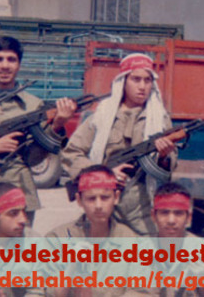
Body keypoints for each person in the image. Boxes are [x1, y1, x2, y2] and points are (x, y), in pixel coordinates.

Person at [0, 36, 76, 228]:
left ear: (19, 65)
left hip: (19, 195)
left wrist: (57, 126)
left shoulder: (34, 105)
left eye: (11, 59)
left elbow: (34, 158)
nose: (5, 65)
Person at [61, 53, 175, 235]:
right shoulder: (102, 115)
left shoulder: (159, 118)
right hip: (105, 201)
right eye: (136, 79)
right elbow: (72, 152)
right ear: (123, 81)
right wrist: (102, 173)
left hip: (142, 205)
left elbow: (168, 167)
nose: (142, 86)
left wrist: (163, 156)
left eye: (147, 80)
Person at [46, 165, 134, 239]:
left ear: (116, 197)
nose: (98, 206)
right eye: (91, 199)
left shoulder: (129, 239)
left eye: (105, 198)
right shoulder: (58, 239)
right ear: (79, 200)